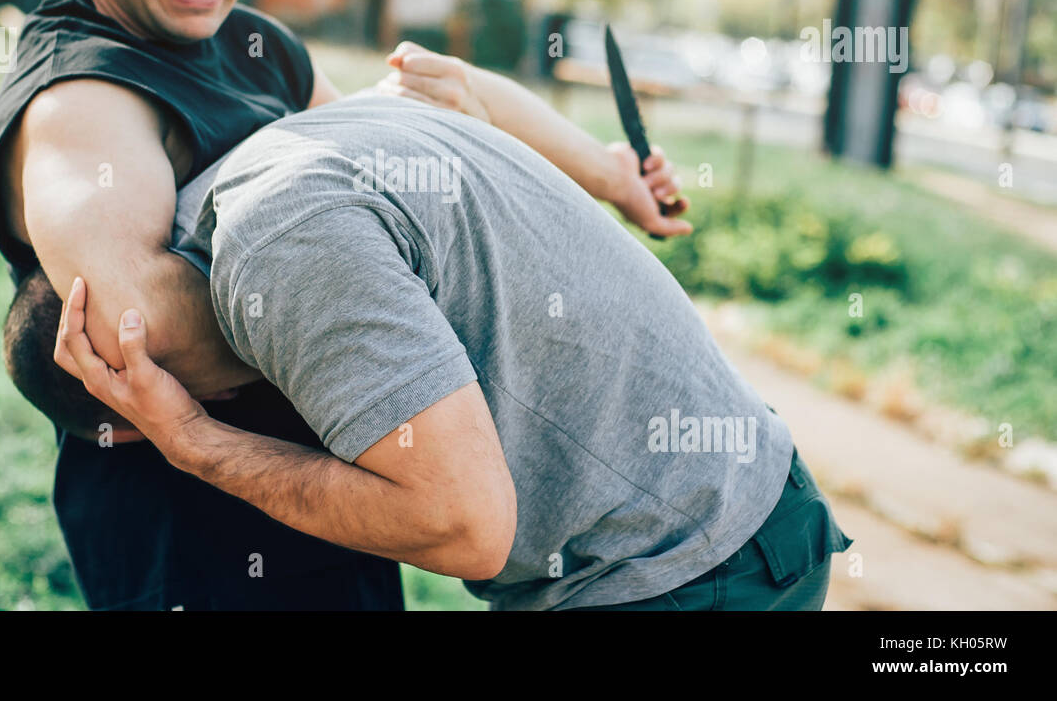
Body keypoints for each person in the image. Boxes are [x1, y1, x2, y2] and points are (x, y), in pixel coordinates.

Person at [0, 0, 690, 610]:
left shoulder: (249, 42)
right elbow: (133, 324)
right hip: (197, 549)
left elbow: (388, 134)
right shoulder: (83, 94)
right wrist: (372, 309)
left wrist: (608, 174)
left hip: (330, 504)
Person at [47, 93, 853, 611]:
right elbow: (444, 78)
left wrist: (196, 445)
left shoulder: (278, 244)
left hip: (683, 569)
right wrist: (606, 170)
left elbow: (465, 523)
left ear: (132, 408)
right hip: (750, 506)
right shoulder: (287, 144)